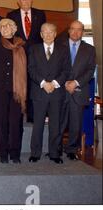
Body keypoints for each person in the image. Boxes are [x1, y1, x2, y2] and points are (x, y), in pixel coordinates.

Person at [28, 22, 70, 164]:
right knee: (38, 124)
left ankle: (54, 153)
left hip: (56, 92)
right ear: (40, 34)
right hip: (39, 92)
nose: (47, 34)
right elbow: (31, 69)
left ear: (55, 33)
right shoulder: (34, 49)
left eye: (50, 32)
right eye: (44, 32)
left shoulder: (63, 50)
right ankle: (35, 153)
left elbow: (66, 71)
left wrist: (54, 84)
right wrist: (43, 83)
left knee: (55, 125)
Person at [0, 18, 27, 163]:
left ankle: (15, 153)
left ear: (14, 28)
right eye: (2, 27)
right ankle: (3, 153)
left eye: (8, 26)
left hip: (17, 91)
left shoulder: (21, 46)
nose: (5, 29)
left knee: (16, 122)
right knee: (0, 121)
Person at [7, 0, 47, 122]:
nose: (26, 2)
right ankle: (18, 115)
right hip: (19, 57)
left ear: (32, 1)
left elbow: (44, 37)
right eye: (23, 0)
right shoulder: (11, 15)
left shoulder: (40, 15)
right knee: (19, 85)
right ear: (18, 2)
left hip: (36, 57)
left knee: (34, 85)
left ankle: (31, 116)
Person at [60, 20, 96, 160]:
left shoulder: (90, 49)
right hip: (61, 90)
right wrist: (64, 83)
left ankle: (71, 150)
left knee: (76, 123)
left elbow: (90, 70)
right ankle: (55, 148)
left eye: (79, 29)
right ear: (69, 31)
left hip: (79, 91)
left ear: (83, 32)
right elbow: (54, 67)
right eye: (73, 29)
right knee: (59, 122)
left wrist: (75, 83)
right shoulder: (59, 46)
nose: (75, 32)